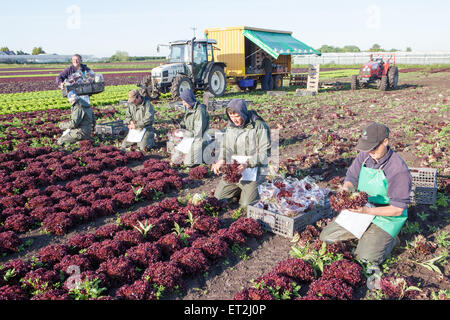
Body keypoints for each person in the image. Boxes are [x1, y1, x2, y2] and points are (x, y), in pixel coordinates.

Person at [319, 122, 412, 266]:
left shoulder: (398, 169)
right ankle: (368, 233)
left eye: (373, 147)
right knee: (326, 237)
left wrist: (367, 211)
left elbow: (397, 209)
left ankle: (391, 240)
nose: (370, 152)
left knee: (364, 260)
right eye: (367, 147)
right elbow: (351, 179)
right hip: (363, 208)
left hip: (386, 216)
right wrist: (346, 191)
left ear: (385, 142)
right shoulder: (365, 156)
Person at [212, 99, 271, 208]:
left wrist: (247, 163)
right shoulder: (230, 127)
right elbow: (225, 147)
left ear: (243, 112)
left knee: (245, 205)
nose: (234, 119)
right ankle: (239, 189)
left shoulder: (259, 126)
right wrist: (222, 159)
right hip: (235, 170)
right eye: (231, 115)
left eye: (237, 115)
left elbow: (265, 153)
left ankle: (251, 189)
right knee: (218, 198)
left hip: (254, 171)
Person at [178, 89, 210, 167]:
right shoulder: (190, 109)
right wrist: (180, 128)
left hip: (200, 139)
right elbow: (184, 123)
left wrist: (184, 133)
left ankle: (203, 154)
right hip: (190, 138)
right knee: (177, 157)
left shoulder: (199, 111)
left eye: (184, 101)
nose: (183, 104)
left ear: (189, 99)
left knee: (189, 162)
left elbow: (198, 132)